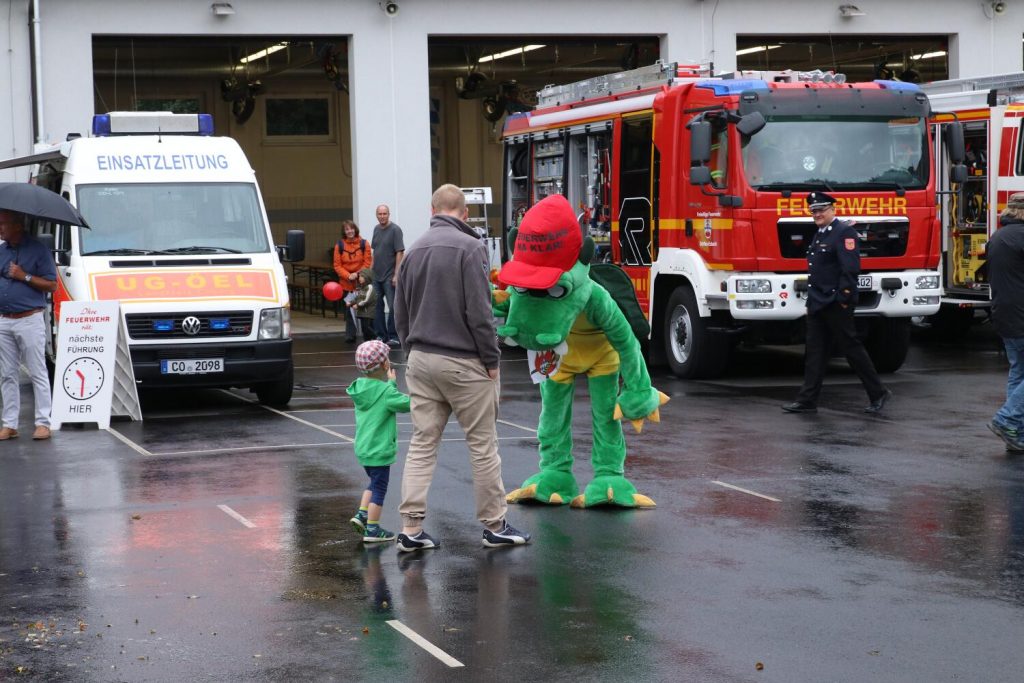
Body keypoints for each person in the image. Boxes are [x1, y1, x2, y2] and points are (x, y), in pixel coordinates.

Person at [393, 183, 530, 551]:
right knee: (483, 445)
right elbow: (480, 313)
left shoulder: (414, 250)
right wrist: (492, 360)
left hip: (421, 359)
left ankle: (410, 528)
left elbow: (399, 312)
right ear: (465, 213)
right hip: (464, 362)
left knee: (422, 444)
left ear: (432, 209)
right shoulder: (471, 248)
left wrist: (410, 351)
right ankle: (494, 525)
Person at [782, 192, 891, 415]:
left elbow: (850, 269)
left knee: (851, 350)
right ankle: (807, 400)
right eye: (813, 211)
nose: (817, 214)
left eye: (821, 210)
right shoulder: (820, 234)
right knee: (814, 353)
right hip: (818, 303)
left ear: (833, 210)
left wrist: (843, 299)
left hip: (835, 303)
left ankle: (878, 393)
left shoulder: (844, 233)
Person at [0, 210, 58, 440]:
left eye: (3, 224)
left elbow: (52, 285)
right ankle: (9, 424)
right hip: (4, 319)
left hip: (29, 318)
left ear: (17, 225)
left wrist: (23, 276)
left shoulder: (38, 250)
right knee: (7, 374)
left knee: (37, 371)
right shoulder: (1, 251)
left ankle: (43, 423)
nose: (0, 228)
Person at [346, 339, 411, 542]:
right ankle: (373, 530)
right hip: (379, 450)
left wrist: (389, 384)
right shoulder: (385, 392)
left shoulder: (360, 388)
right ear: (385, 365)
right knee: (380, 489)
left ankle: (362, 515)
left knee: (373, 483)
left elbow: (383, 394)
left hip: (364, 449)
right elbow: (406, 404)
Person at [985, 192, 1024, 451]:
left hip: (1004, 312)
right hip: (1022, 313)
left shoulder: (997, 237)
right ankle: (1007, 419)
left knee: (1018, 371)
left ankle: (1014, 431)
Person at [333, 219, 373, 343]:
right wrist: (347, 275)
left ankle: (369, 334)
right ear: (344, 232)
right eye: (347, 229)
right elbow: (337, 265)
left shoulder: (364, 243)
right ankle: (350, 335)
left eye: (351, 228)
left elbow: (367, 262)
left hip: (362, 283)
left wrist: (357, 274)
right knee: (349, 309)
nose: (349, 231)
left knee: (365, 308)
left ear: (355, 229)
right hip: (347, 283)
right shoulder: (339, 245)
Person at [370, 205, 405, 348]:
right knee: (377, 306)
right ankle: (381, 335)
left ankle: (394, 336)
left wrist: (397, 274)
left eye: (385, 213)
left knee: (393, 307)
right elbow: (375, 252)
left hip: (389, 276)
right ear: (376, 215)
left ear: (389, 214)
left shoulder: (395, 230)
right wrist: (370, 272)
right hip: (376, 276)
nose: (382, 216)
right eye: (380, 214)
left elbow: (400, 252)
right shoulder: (376, 229)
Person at [346, 267, 378, 342]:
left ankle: (376, 337)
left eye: (362, 276)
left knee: (367, 327)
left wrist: (358, 305)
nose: (359, 278)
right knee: (364, 329)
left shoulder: (370, 287)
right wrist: (350, 302)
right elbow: (358, 298)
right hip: (362, 312)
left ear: (367, 277)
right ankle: (367, 342)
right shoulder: (362, 288)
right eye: (359, 276)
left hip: (368, 312)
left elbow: (366, 299)